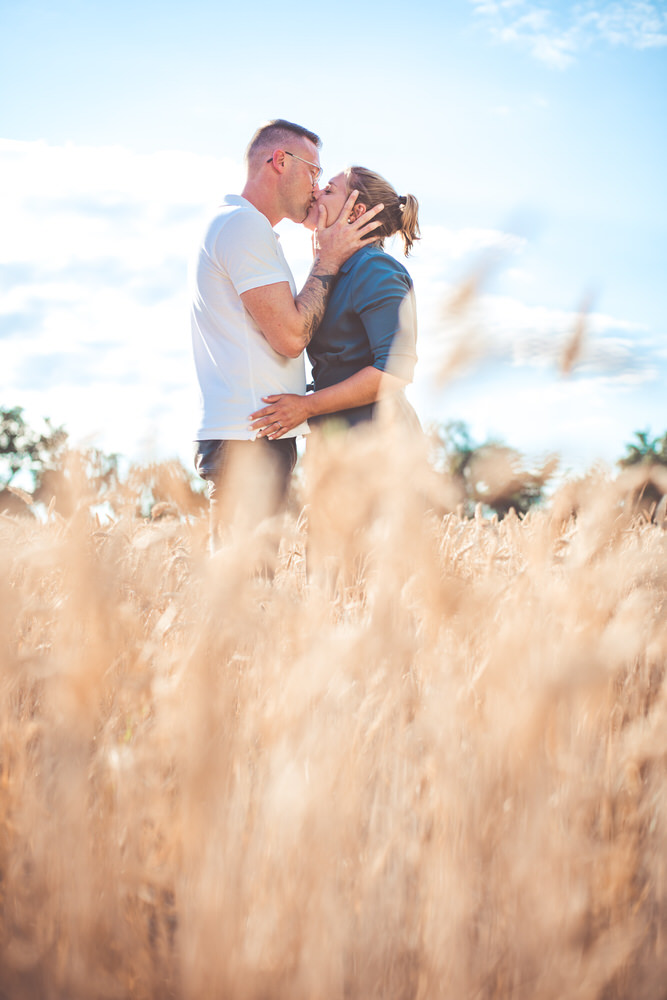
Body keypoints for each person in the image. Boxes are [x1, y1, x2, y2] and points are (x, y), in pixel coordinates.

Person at [190, 121, 383, 548]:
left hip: (255, 433)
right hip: (249, 440)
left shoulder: (246, 228)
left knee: (247, 586)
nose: (316, 188)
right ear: (280, 161)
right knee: (245, 589)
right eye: (314, 172)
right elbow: (292, 337)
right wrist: (329, 260)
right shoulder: (243, 227)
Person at [248, 165, 421, 440]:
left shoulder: (376, 269)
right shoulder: (337, 271)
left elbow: (395, 372)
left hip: (382, 448)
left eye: (329, 190)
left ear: (356, 211)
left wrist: (306, 406)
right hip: (340, 446)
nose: (316, 192)